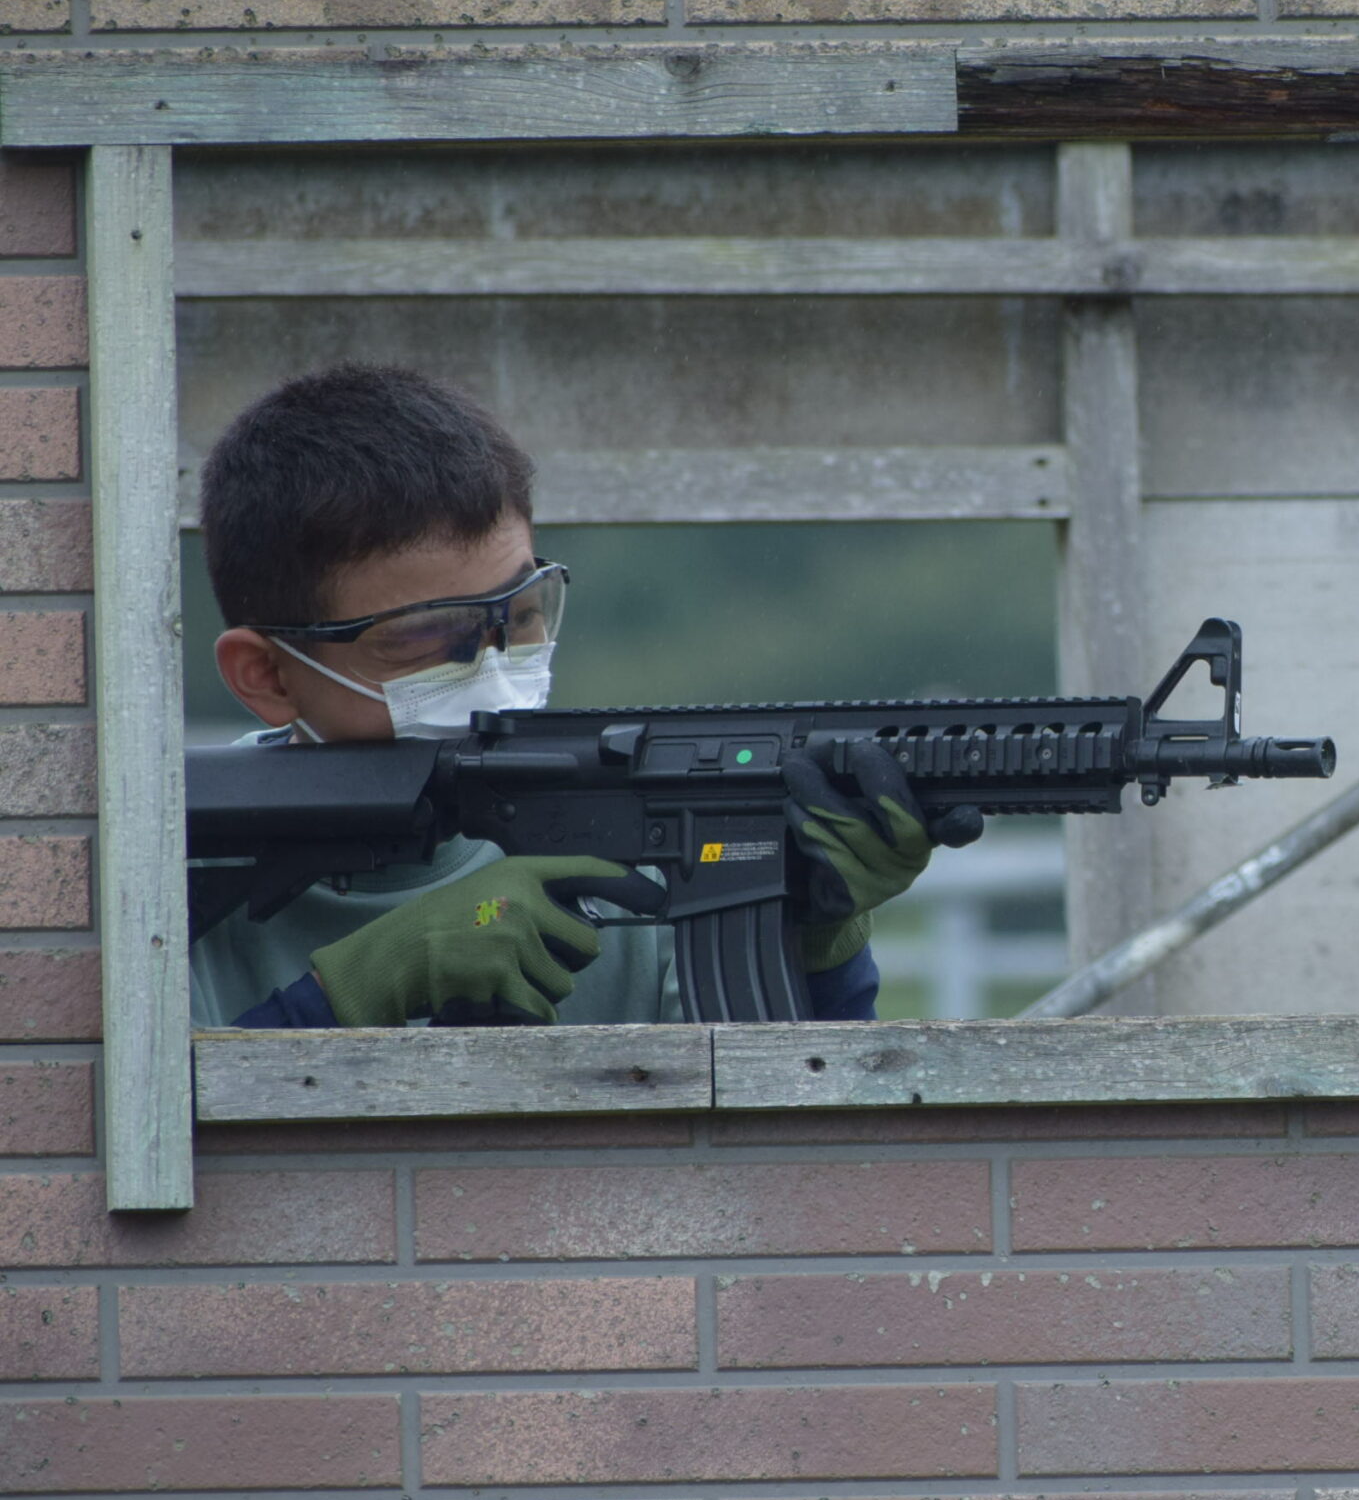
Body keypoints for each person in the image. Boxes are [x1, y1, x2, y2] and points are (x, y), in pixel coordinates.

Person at [189, 364, 932, 1029]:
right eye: (426, 638)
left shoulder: (646, 840)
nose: (494, 671)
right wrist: (356, 987)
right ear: (268, 676)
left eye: (521, 614)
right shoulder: (174, 882)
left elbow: (791, 1120)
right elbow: (137, 1120)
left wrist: (816, 934)